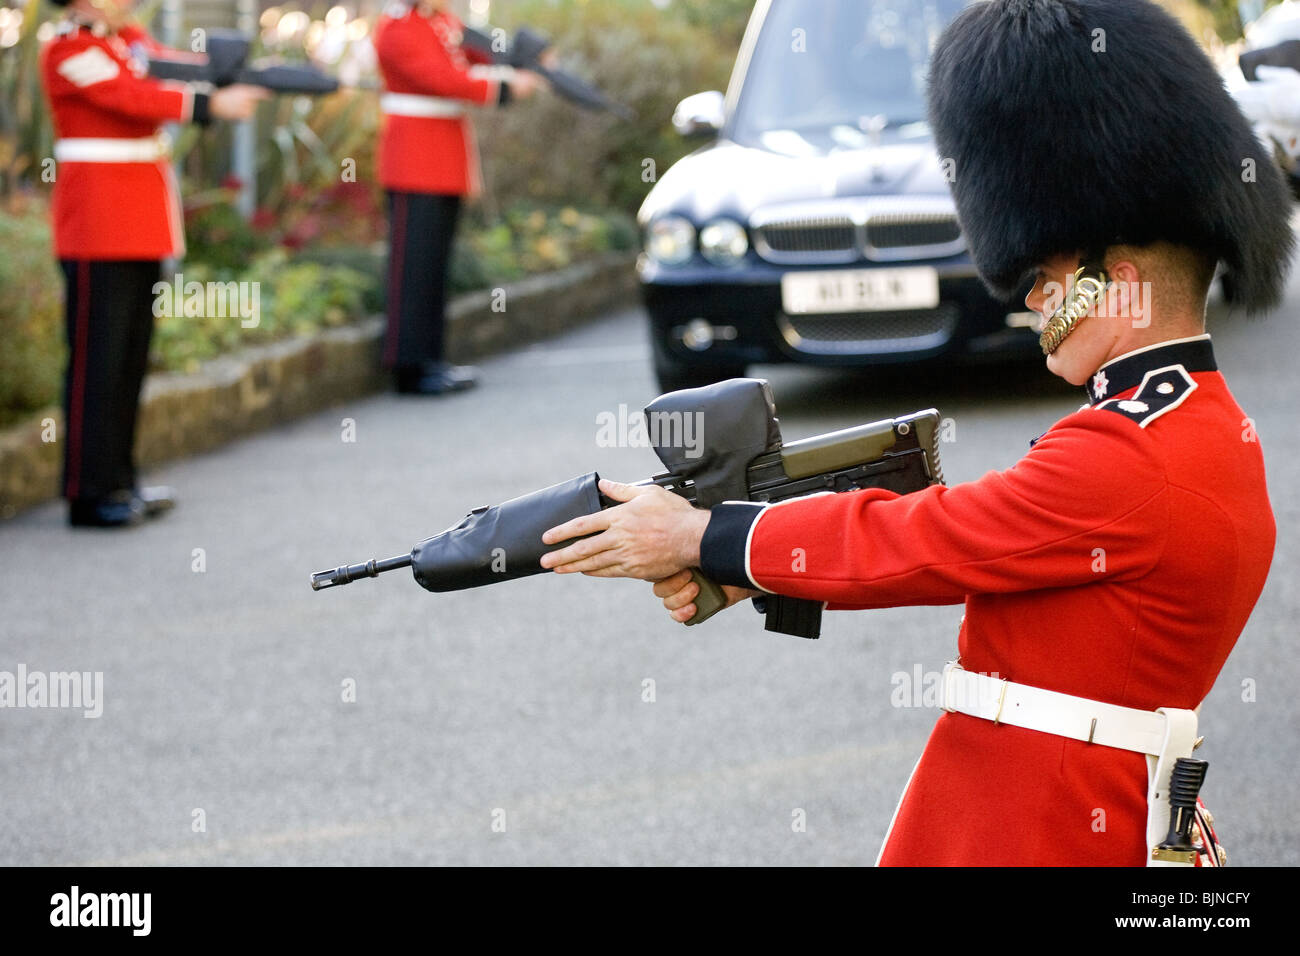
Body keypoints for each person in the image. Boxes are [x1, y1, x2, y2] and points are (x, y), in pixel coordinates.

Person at [535, 0, 1295, 865]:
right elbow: (1030, 569)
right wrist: (757, 566)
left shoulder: (1129, 454)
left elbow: (924, 540)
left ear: (1115, 280)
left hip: (1040, 821)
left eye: (1043, 277)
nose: (1029, 299)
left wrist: (701, 534)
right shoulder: (1195, 422)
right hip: (1119, 808)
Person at [40, 0, 264, 527]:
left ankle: (120, 479)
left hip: (138, 223)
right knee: (98, 364)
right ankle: (88, 491)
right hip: (98, 227)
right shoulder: (70, 48)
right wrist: (210, 105)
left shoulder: (128, 42)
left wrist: (230, 74)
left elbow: (174, 65)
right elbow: (131, 97)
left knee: (128, 360)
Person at [373, 0, 543, 395]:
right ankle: (408, 366)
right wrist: (502, 86)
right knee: (413, 269)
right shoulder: (400, 28)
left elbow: (471, 51)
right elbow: (445, 79)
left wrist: (523, 58)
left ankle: (431, 358)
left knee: (434, 266)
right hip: (414, 161)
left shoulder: (439, 22)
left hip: (442, 159)